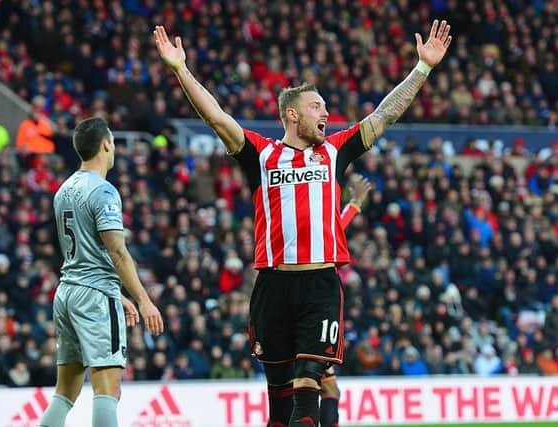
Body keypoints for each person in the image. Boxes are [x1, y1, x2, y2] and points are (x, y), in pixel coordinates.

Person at [153, 19, 451, 427]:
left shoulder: (335, 151)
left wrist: (422, 69)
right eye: (317, 107)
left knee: (310, 382)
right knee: (278, 401)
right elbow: (217, 119)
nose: (326, 112)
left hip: (320, 286)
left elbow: (385, 115)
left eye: (325, 107)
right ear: (291, 115)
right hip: (273, 285)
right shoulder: (261, 154)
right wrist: (180, 69)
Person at [39, 117, 164, 427]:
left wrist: (115, 293)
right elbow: (117, 251)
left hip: (68, 293)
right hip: (93, 298)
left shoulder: (63, 190)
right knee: (108, 390)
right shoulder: (104, 192)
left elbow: (83, 253)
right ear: (107, 144)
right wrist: (143, 299)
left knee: (65, 391)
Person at [319, 174, 372, 427]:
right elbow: (337, 226)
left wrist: (354, 205)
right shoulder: (322, 242)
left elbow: (337, 225)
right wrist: (355, 204)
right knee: (324, 389)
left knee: (294, 390)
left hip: (294, 313)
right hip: (317, 315)